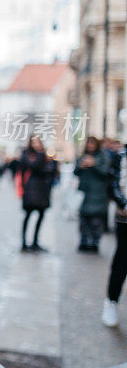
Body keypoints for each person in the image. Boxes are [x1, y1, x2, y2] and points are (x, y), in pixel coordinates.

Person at [18, 135, 58, 252]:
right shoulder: (27, 155)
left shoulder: (43, 156)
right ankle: (24, 243)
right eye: (33, 142)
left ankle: (35, 242)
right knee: (28, 216)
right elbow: (34, 166)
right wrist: (42, 156)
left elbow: (51, 171)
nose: (36, 145)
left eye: (37, 142)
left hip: (42, 191)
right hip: (30, 191)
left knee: (41, 216)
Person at [104, 141, 127, 326]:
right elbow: (112, 184)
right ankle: (111, 301)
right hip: (125, 218)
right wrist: (124, 204)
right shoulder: (121, 155)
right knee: (122, 261)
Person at [75, 136, 111, 253]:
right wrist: (81, 166)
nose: (90, 146)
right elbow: (76, 172)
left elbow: (106, 172)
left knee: (96, 221)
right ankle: (84, 241)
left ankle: (95, 242)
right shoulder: (83, 156)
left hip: (99, 194)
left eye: (92, 144)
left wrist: (94, 164)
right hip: (85, 193)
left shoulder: (102, 156)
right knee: (84, 220)